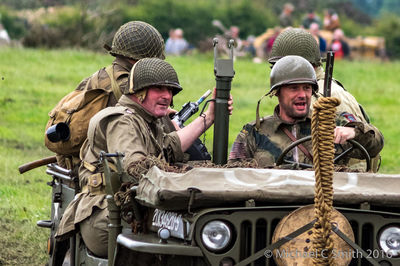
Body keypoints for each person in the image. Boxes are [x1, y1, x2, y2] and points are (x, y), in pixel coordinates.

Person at [56, 58, 233, 258]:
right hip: (105, 218)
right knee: (185, 232)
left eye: (170, 91)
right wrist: (186, 177)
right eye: (158, 89)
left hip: (131, 210)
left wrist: (208, 117)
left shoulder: (145, 120)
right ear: (138, 91)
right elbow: (137, 169)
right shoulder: (122, 121)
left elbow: (169, 147)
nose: (167, 96)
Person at [51, 21, 168, 174]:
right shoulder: (129, 86)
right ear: (141, 59)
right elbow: (162, 134)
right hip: (96, 167)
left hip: (76, 160)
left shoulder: (99, 76)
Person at [229, 55, 383, 169]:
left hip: (326, 208)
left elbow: (376, 144)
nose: (302, 95)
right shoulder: (254, 133)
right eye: (294, 88)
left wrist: (354, 133)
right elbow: (234, 176)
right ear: (277, 92)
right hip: (272, 210)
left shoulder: (330, 123)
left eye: (307, 88)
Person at [267, 28, 382, 171]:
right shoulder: (325, 87)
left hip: (342, 177)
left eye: (278, 66)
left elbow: (361, 150)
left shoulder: (322, 95)